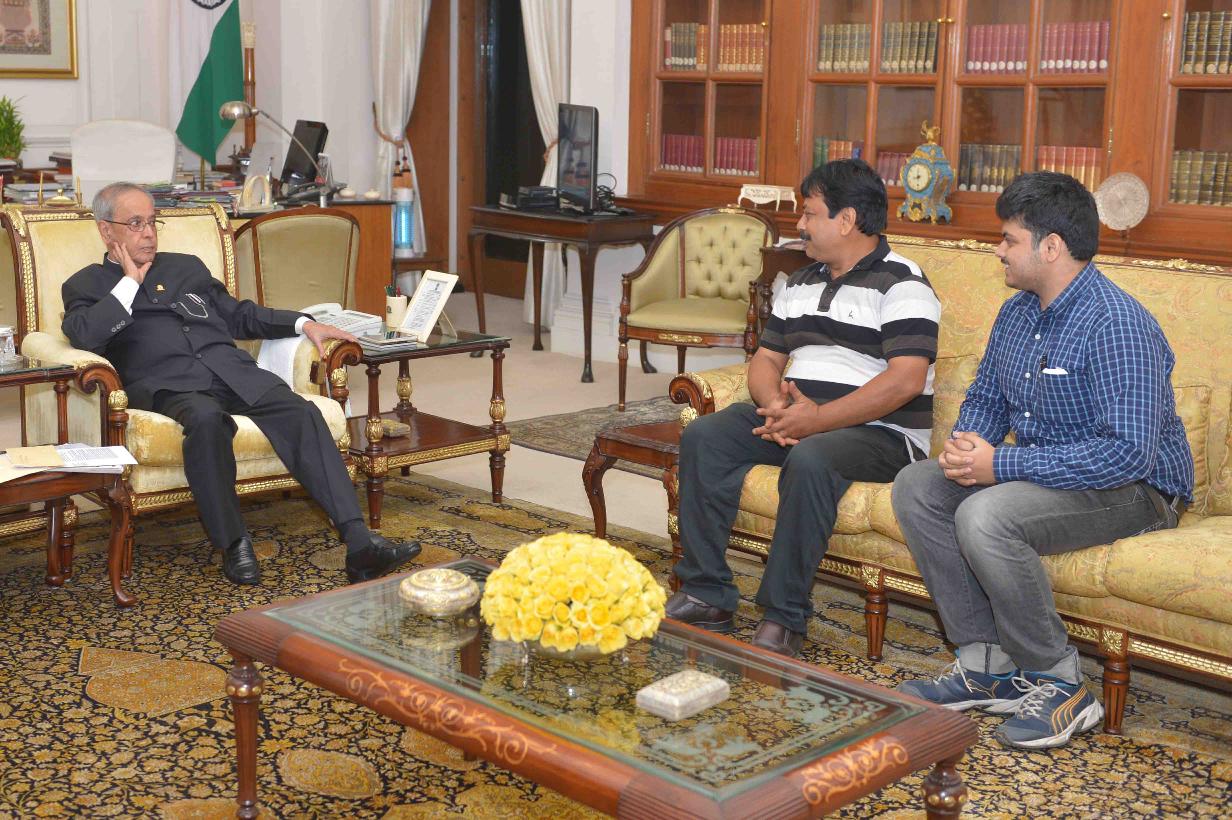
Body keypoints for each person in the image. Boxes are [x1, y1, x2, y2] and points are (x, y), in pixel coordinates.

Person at [892, 171, 1193, 750]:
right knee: (918, 486)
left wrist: (999, 467)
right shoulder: (1018, 313)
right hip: (1053, 473)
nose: (998, 250)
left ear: (1050, 246)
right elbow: (987, 397)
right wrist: (967, 447)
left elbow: (1127, 453)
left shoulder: (1117, 324)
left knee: (986, 516)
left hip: (1140, 491)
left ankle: (1060, 682)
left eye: (1008, 239)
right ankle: (987, 665)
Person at [62, 182, 421, 586]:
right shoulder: (86, 285)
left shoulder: (186, 267)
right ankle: (234, 543)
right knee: (207, 422)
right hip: (170, 385)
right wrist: (129, 282)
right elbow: (84, 335)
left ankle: (360, 545)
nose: (148, 233)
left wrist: (304, 324)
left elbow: (239, 315)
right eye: (135, 224)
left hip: (233, 372)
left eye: (152, 222)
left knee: (301, 412)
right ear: (106, 230)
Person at [665, 159, 941, 657]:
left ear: (846, 219)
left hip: (881, 433)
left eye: (810, 213)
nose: (800, 224)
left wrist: (815, 422)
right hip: (799, 417)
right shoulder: (800, 282)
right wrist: (776, 407)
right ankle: (707, 592)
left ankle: (784, 616)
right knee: (705, 436)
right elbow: (766, 359)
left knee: (812, 457)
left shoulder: (904, 284)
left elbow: (905, 381)